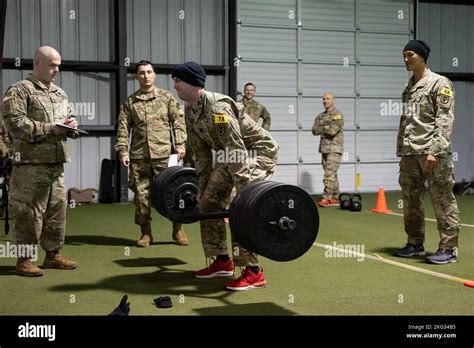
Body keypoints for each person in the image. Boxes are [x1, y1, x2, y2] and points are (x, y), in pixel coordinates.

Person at [172, 62, 278, 291]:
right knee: (208, 202)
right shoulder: (190, 112)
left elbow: (237, 150)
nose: (175, 85)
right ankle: (222, 261)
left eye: (178, 81)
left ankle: (253, 272)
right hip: (232, 156)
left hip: (258, 154)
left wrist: (244, 195)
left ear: (193, 83)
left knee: (238, 208)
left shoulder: (218, 109)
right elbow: (201, 156)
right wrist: (201, 188)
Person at [2, 46, 78, 277]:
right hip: (29, 165)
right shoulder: (19, 91)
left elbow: (70, 115)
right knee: (28, 213)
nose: (56, 70)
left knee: (57, 211)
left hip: (56, 164)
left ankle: (53, 255)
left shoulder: (59, 93)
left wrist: (71, 125)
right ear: (37, 63)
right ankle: (24, 260)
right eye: (52, 65)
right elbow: (15, 123)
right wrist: (52, 128)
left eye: (58, 66)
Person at [395, 39, 460, 264]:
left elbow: (444, 120)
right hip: (411, 153)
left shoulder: (439, 84)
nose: (405, 59)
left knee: (442, 199)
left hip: (432, 153)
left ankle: (449, 249)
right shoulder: (410, 86)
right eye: (403, 55)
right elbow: (407, 122)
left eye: (410, 55)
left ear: (422, 56)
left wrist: (434, 150)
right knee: (411, 199)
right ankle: (415, 243)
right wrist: (403, 151)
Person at [115, 60, 189, 247]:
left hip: (165, 156)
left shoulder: (166, 98)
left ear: (154, 75)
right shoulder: (130, 102)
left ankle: (178, 229)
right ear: (136, 76)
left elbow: (179, 121)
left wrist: (180, 144)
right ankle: (146, 234)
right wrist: (123, 151)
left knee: (173, 194)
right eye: (142, 73)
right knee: (141, 197)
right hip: (139, 157)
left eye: (149, 72)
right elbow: (123, 129)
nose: (146, 76)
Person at [311, 93, 344, 207]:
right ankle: (336, 196)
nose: (325, 101)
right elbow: (314, 130)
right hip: (324, 149)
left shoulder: (337, 115)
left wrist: (323, 127)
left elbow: (332, 131)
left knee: (329, 174)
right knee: (332, 174)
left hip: (335, 148)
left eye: (328, 99)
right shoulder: (321, 116)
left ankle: (326, 197)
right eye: (324, 99)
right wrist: (326, 126)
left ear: (332, 101)